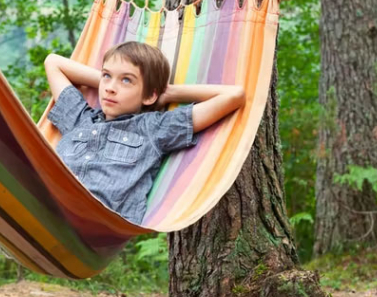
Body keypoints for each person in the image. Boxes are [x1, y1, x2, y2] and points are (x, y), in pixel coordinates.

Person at [44, 41, 245, 224]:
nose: (110, 89)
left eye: (126, 81)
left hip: (95, 224)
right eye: (106, 75)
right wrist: (113, 82)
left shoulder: (153, 128)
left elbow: (234, 96)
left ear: (150, 95)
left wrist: (169, 94)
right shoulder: (80, 118)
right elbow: (53, 63)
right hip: (46, 207)